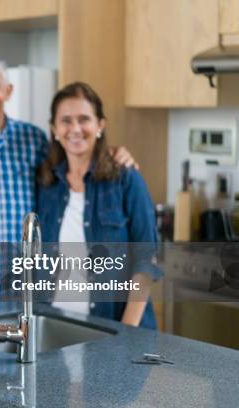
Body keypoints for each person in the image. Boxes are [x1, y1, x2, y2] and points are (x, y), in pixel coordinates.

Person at [0, 52, 137, 297]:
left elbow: (75, 171)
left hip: (30, 295)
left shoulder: (34, 140)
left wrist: (112, 154)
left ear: (8, 91)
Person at [36, 81, 161, 329]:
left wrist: (126, 330)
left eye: (84, 119)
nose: (75, 128)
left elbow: (147, 259)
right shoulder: (46, 183)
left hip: (116, 326)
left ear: (100, 125)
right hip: (56, 325)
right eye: (66, 120)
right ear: (54, 129)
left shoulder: (126, 178)